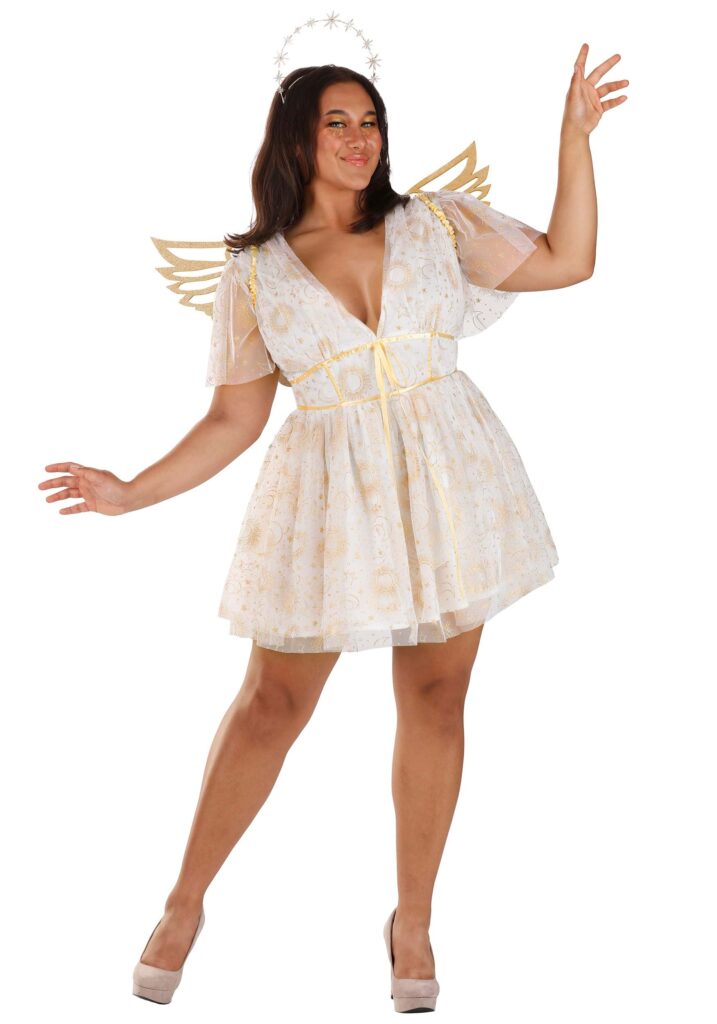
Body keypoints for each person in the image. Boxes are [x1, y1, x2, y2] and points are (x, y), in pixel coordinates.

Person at [38, 45, 627, 1010]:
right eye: (336, 124)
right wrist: (132, 491)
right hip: (328, 497)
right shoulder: (255, 272)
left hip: (448, 483)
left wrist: (573, 138)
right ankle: (184, 902)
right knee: (271, 703)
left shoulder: (435, 223)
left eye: (370, 122)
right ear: (297, 141)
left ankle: (413, 921)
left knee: (437, 699)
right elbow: (234, 418)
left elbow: (570, 260)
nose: (360, 140)